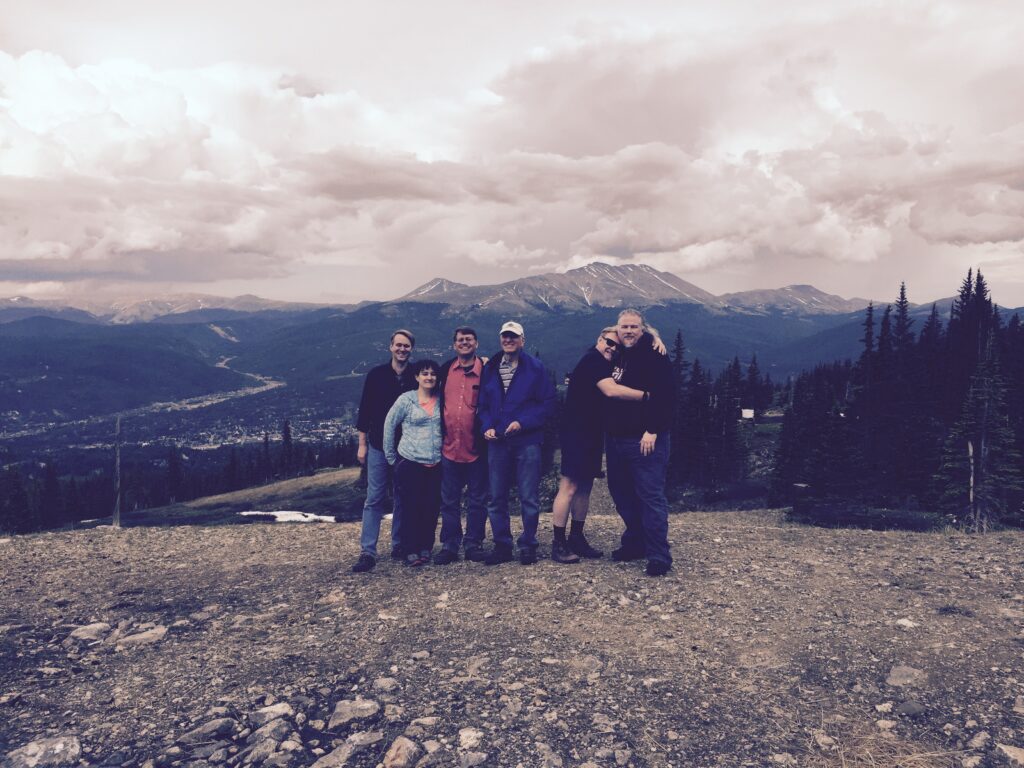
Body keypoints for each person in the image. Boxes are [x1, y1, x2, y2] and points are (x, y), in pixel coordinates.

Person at [550, 327, 649, 564]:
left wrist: (654, 340)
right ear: (599, 340)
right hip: (576, 432)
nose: (612, 348)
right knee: (570, 486)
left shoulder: (602, 363)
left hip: (591, 433)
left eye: (616, 346)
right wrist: (647, 396)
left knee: (584, 487)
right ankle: (558, 543)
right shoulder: (593, 360)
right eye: (608, 342)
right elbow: (611, 391)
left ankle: (576, 537)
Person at [478, 321, 556, 566]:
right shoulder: (490, 368)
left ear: (522, 340)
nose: (509, 340)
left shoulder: (535, 368)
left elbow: (547, 403)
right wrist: (486, 426)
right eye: (505, 336)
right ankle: (502, 545)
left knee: (528, 496)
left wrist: (522, 423)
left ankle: (528, 545)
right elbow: (483, 405)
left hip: (527, 440)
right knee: (496, 496)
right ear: (501, 339)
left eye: (514, 337)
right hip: (498, 442)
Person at [604, 309, 676, 576]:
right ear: (618, 329)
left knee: (650, 496)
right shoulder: (618, 351)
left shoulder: (654, 354)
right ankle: (635, 543)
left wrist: (653, 430)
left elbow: (666, 395)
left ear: (643, 329)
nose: (629, 331)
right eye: (625, 327)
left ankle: (659, 555)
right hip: (616, 438)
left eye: (634, 327)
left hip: (645, 439)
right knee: (622, 494)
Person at [350, 329, 417, 573]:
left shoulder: (416, 375)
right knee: (374, 498)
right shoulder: (376, 375)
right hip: (378, 444)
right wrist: (362, 444)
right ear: (390, 347)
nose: (402, 349)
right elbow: (364, 410)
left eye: (406, 346)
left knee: (402, 497)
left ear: (411, 349)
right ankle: (368, 551)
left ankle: (398, 544)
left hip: (405, 448)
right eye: (398, 345)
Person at [434, 327, 490, 564]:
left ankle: (473, 543)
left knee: (477, 499)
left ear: (476, 344)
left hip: (476, 447)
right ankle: (450, 544)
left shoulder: (487, 370)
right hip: (450, 446)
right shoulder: (446, 369)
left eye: (468, 340)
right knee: (449, 500)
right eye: (460, 340)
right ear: (454, 345)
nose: (464, 343)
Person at [382, 360, 443, 567]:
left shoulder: (441, 399)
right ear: (417, 377)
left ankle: (426, 546)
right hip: (411, 461)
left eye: (433, 374)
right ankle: (410, 549)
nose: (429, 377)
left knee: (431, 507)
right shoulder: (406, 400)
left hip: (436, 463)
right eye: (424, 373)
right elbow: (389, 425)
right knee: (410, 507)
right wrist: (392, 458)